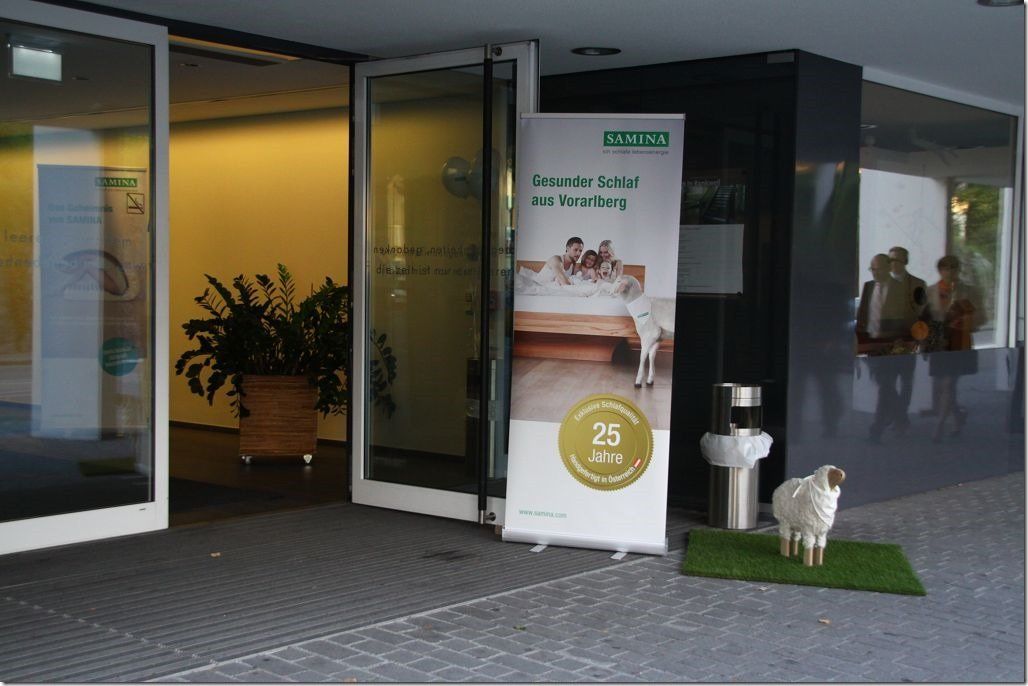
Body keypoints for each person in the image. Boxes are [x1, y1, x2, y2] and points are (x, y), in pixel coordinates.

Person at [924, 254, 983, 441]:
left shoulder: (969, 291)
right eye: (946, 268)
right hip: (939, 343)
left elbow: (981, 316)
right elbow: (925, 319)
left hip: (959, 341)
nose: (950, 272)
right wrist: (924, 342)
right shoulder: (930, 291)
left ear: (959, 270)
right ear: (940, 271)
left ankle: (939, 427)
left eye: (954, 268)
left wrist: (966, 321)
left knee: (949, 383)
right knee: (943, 386)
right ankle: (957, 416)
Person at [856, 253, 913, 441]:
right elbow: (863, 317)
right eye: (871, 269)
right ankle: (901, 420)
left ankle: (877, 429)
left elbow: (907, 320)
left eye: (878, 269)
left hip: (892, 346)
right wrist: (859, 343)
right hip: (872, 346)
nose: (874, 273)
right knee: (885, 385)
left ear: (888, 267)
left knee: (885, 386)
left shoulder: (901, 289)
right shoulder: (868, 287)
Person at [887, 246, 927, 430]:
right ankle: (900, 415)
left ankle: (900, 416)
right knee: (886, 382)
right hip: (886, 340)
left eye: (897, 259)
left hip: (908, 340)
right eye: (890, 260)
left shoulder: (917, 284)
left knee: (906, 381)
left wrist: (921, 340)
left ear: (905, 261)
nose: (893, 263)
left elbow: (922, 315)